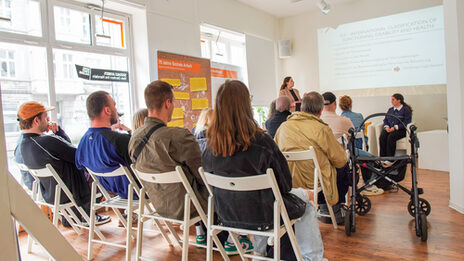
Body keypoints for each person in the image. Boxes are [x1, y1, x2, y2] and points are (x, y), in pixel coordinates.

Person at [203, 80, 324, 260]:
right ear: (245, 106)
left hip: (227, 215)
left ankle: (259, 254)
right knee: (307, 201)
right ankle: (313, 258)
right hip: (264, 214)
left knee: (263, 199)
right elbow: (285, 185)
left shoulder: (209, 148)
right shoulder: (262, 142)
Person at [128, 80, 214, 247]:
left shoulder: (134, 138)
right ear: (168, 103)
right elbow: (203, 174)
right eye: (173, 102)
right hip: (189, 207)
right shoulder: (178, 136)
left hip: (158, 207)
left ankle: (202, 233)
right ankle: (231, 239)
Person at [17, 101, 110, 225]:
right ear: (36, 121)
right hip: (71, 193)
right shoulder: (47, 141)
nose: (49, 120)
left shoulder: (20, 146)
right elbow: (79, 155)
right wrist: (59, 133)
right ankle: (87, 215)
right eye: (46, 117)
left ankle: (76, 216)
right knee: (98, 170)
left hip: (49, 195)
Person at [275, 92, 349, 224]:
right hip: (313, 181)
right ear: (320, 111)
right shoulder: (321, 129)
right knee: (343, 166)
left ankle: (326, 206)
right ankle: (334, 207)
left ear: (301, 108)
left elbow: (275, 154)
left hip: (289, 180)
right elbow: (340, 160)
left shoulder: (283, 127)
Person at [75, 91, 135, 200]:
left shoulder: (82, 143)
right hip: (136, 192)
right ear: (107, 110)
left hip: (111, 194)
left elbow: (82, 168)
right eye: (114, 106)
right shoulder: (119, 140)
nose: (116, 110)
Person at [379, 93, 412, 164]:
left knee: (391, 137)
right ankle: (382, 158)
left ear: (399, 100)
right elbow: (385, 120)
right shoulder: (390, 110)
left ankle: (390, 159)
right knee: (383, 135)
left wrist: (395, 128)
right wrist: (387, 126)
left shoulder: (406, 110)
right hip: (390, 129)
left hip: (400, 130)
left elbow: (407, 122)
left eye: (393, 100)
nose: (391, 101)